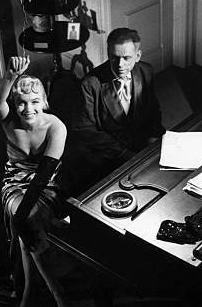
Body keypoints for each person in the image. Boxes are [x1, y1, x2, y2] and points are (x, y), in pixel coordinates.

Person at [0, 56, 75, 307]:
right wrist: (10, 75)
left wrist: (23, 214)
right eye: (21, 103)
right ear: (14, 105)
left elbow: (45, 173)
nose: (29, 108)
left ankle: (28, 293)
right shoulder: (8, 120)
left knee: (26, 222)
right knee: (28, 221)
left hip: (46, 183)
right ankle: (57, 293)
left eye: (35, 101)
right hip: (15, 183)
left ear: (44, 102)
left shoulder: (56, 126)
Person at [67, 27, 165, 188]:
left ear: (138, 56)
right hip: (106, 153)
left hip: (139, 143)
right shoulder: (90, 84)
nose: (120, 64)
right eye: (114, 57)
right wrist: (124, 154)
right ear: (108, 54)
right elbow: (85, 130)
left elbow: (153, 110)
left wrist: (155, 138)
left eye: (126, 58)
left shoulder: (146, 71)